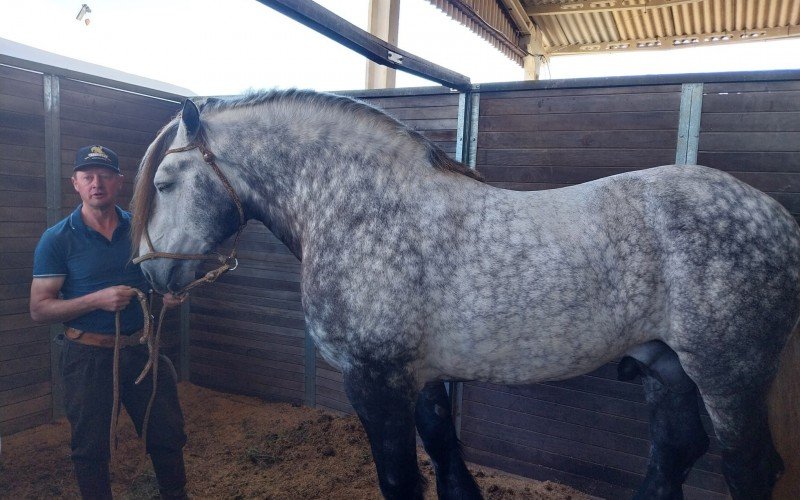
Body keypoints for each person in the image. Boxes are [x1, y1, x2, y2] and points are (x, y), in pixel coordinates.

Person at [29, 145, 189, 499]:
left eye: (104, 176)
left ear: (120, 182)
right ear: (75, 183)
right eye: (88, 177)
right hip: (87, 358)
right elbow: (39, 309)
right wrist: (97, 300)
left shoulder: (142, 229)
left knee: (167, 435)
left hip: (141, 351)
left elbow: (156, 280)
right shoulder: (57, 239)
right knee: (91, 448)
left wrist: (168, 295)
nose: (96, 184)